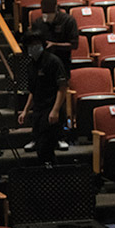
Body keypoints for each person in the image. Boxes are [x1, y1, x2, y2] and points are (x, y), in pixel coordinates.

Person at [26, 0, 77, 151]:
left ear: (56, 8)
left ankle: (60, 137)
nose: (46, 15)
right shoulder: (38, 22)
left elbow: (74, 45)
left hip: (60, 64)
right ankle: (37, 138)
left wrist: (55, 44)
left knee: (58, 103)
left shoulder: (68, 21)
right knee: (39, 102)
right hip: (41, 65)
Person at [18, 30, 68, 165]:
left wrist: (56, 110)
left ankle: (52, 176)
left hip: (51, 109)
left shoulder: (53, 61)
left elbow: (62, 87)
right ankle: (48, 175)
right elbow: (33, 92)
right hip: (38, 111)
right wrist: (25, 110)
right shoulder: (31, 66)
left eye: (36, 43)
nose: (34, 47)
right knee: (41, 149)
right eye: (31, 44)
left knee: (46, 147)